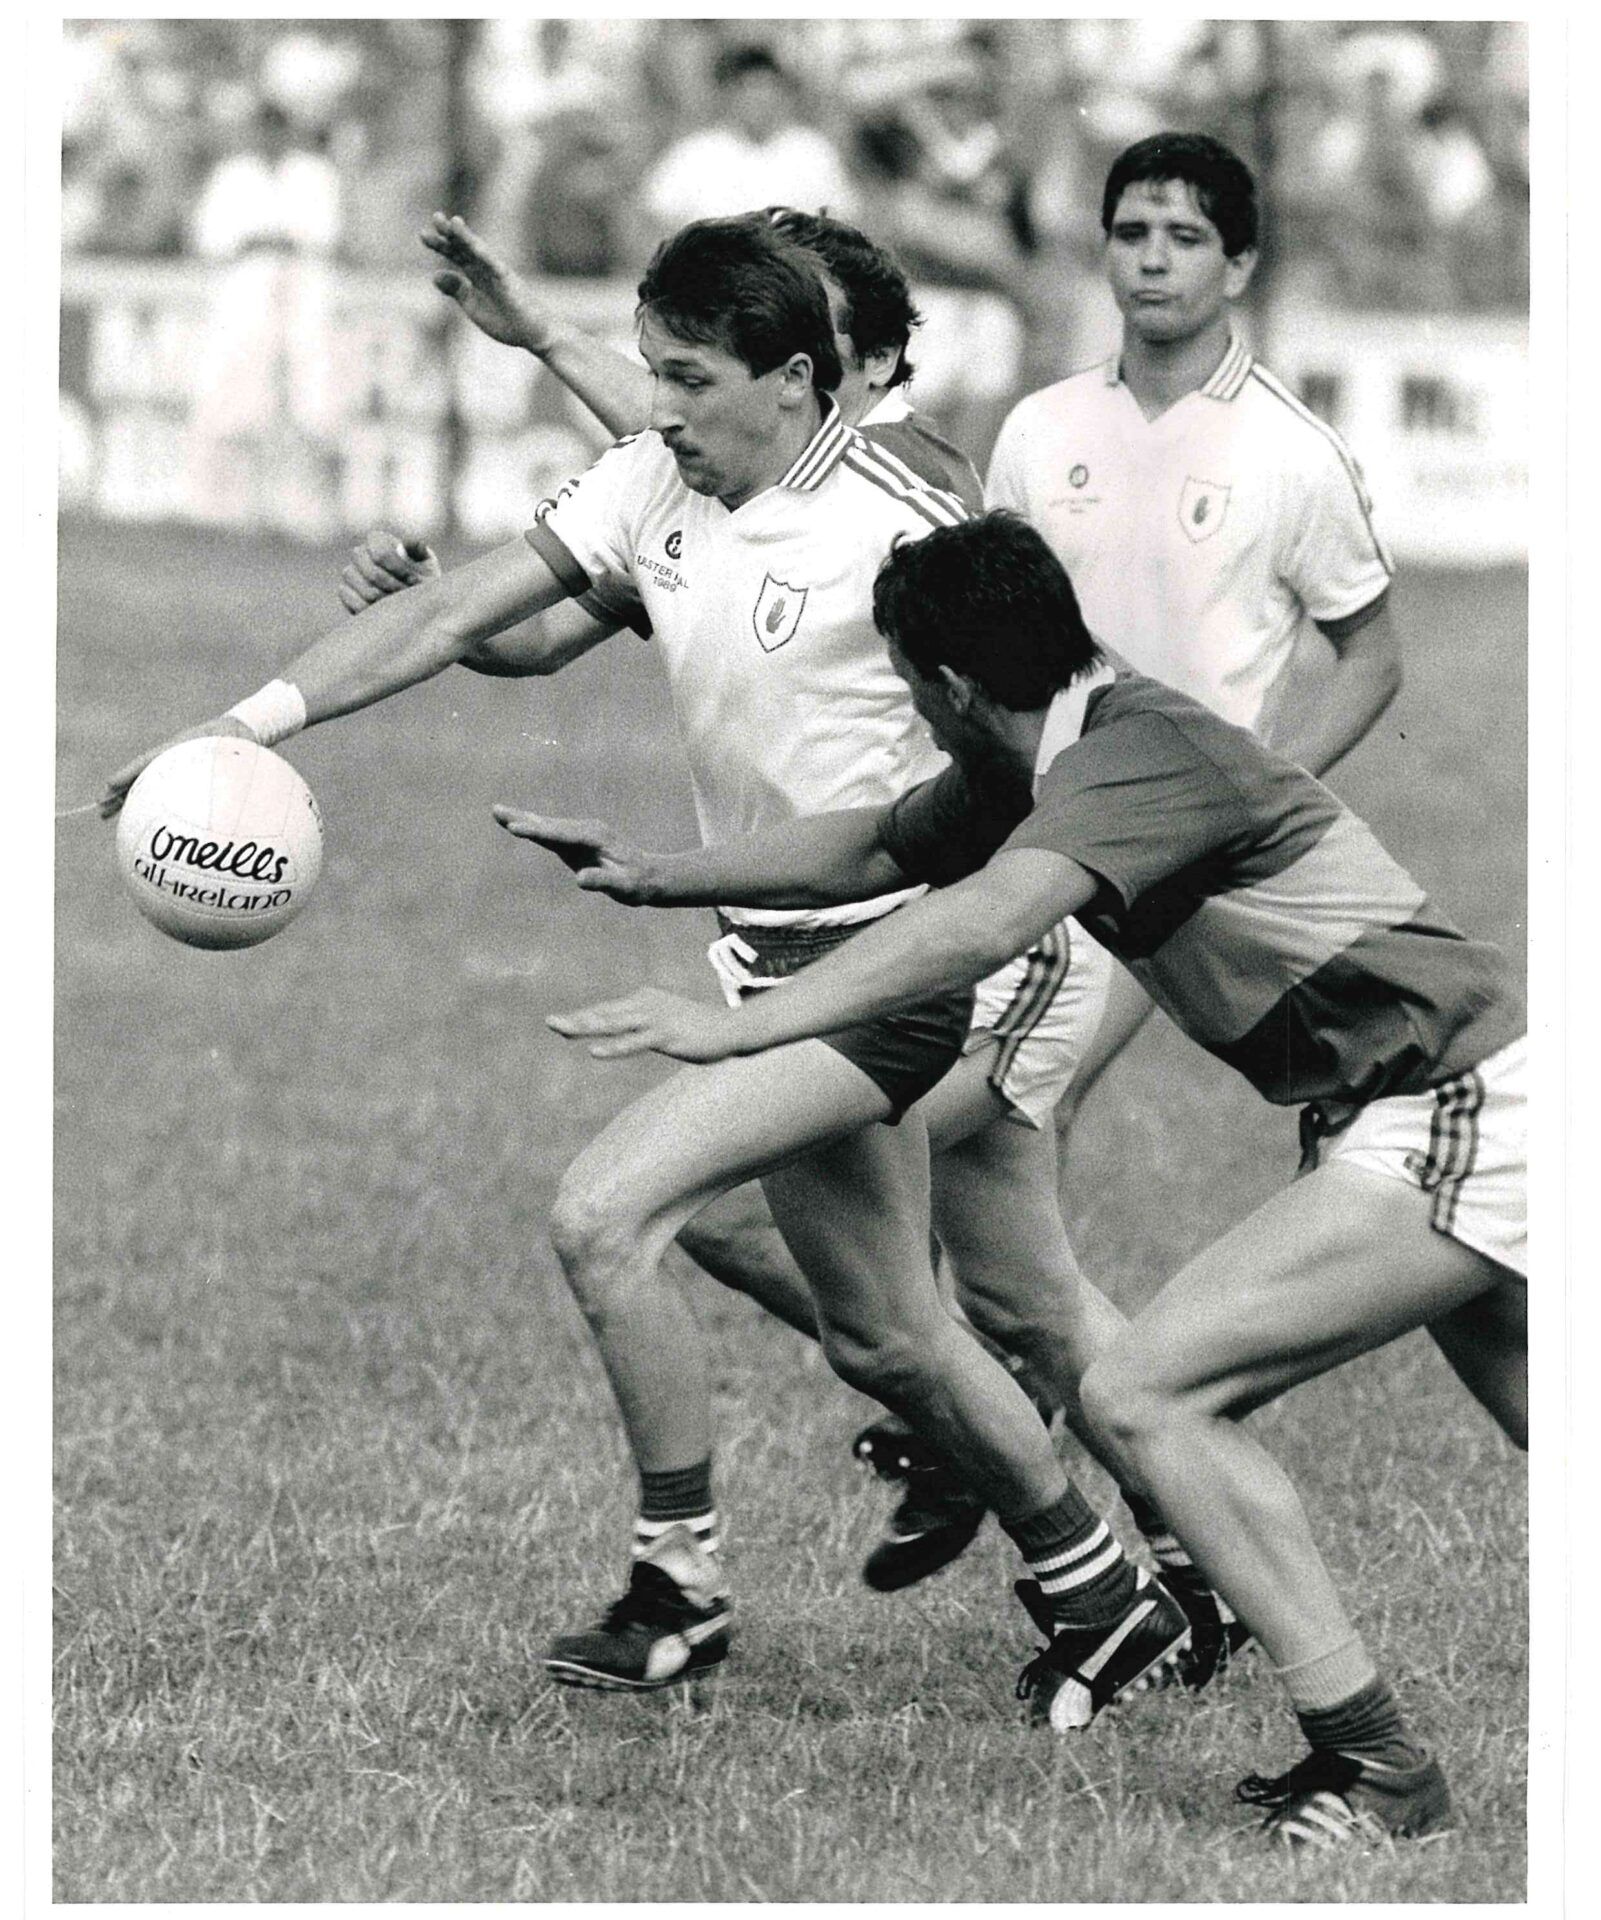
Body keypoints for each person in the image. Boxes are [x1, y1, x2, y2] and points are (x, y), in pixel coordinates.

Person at [102, 220, 1190, 1728]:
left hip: (886, 973)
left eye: (685, 380)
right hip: (765, 962)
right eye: (652, 374)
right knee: (890, 1333)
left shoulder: (906, 519)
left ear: (796, 378)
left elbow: (1057, 718)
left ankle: (677, 1591)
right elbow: (455, 614)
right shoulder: (653, 484)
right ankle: (1100, 1592)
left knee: (605, 1214)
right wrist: (234, 730)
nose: (655, 408)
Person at [518, 509, 1524, 1849]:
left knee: (1148, 1393)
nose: (911, 712)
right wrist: (655, 878)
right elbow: (878, 848)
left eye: (906, 684)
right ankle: (1371, 1756)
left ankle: (1376, 1762)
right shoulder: (1047, 752)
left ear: (946, 683)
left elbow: (980, 923)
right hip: (1434, 1106)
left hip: (1461, 1104)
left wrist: (743, 1026)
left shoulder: (1131, 756)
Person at [986, 132, 1403, 1113]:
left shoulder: (1291, 450)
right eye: (1131, 233)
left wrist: (1255, 796)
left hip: (1165, 854)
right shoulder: (1038, 427)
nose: (1152, 259)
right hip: (1024, 824)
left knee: (1012, 1097)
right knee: (992, 1115)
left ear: (1239, 266)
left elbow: (1372, 658)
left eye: (1183, 237)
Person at [641, 43, 857, 231]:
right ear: (730, 94)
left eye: (766, 88)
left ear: (781, 91)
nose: (758, 99)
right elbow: (651, 218)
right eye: (749, 89)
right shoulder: (695, 153)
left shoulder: (812, 151)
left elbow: (844, 220)